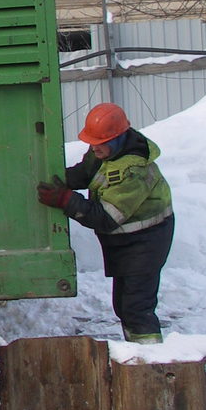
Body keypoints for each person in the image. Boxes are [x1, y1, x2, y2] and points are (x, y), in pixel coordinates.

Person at [37, 103, 174, 344]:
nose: (94, 148)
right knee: (123, 304)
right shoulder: (105, 150)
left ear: (119, 138)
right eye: (92, 142)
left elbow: (106, 218)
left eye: (100, 142)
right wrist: (58, 181)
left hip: (146, 242)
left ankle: (150, 359)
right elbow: (85, 173)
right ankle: (137, 350)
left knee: (136, 307)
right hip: (128, 241)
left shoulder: (133, 171)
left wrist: (66, 200)